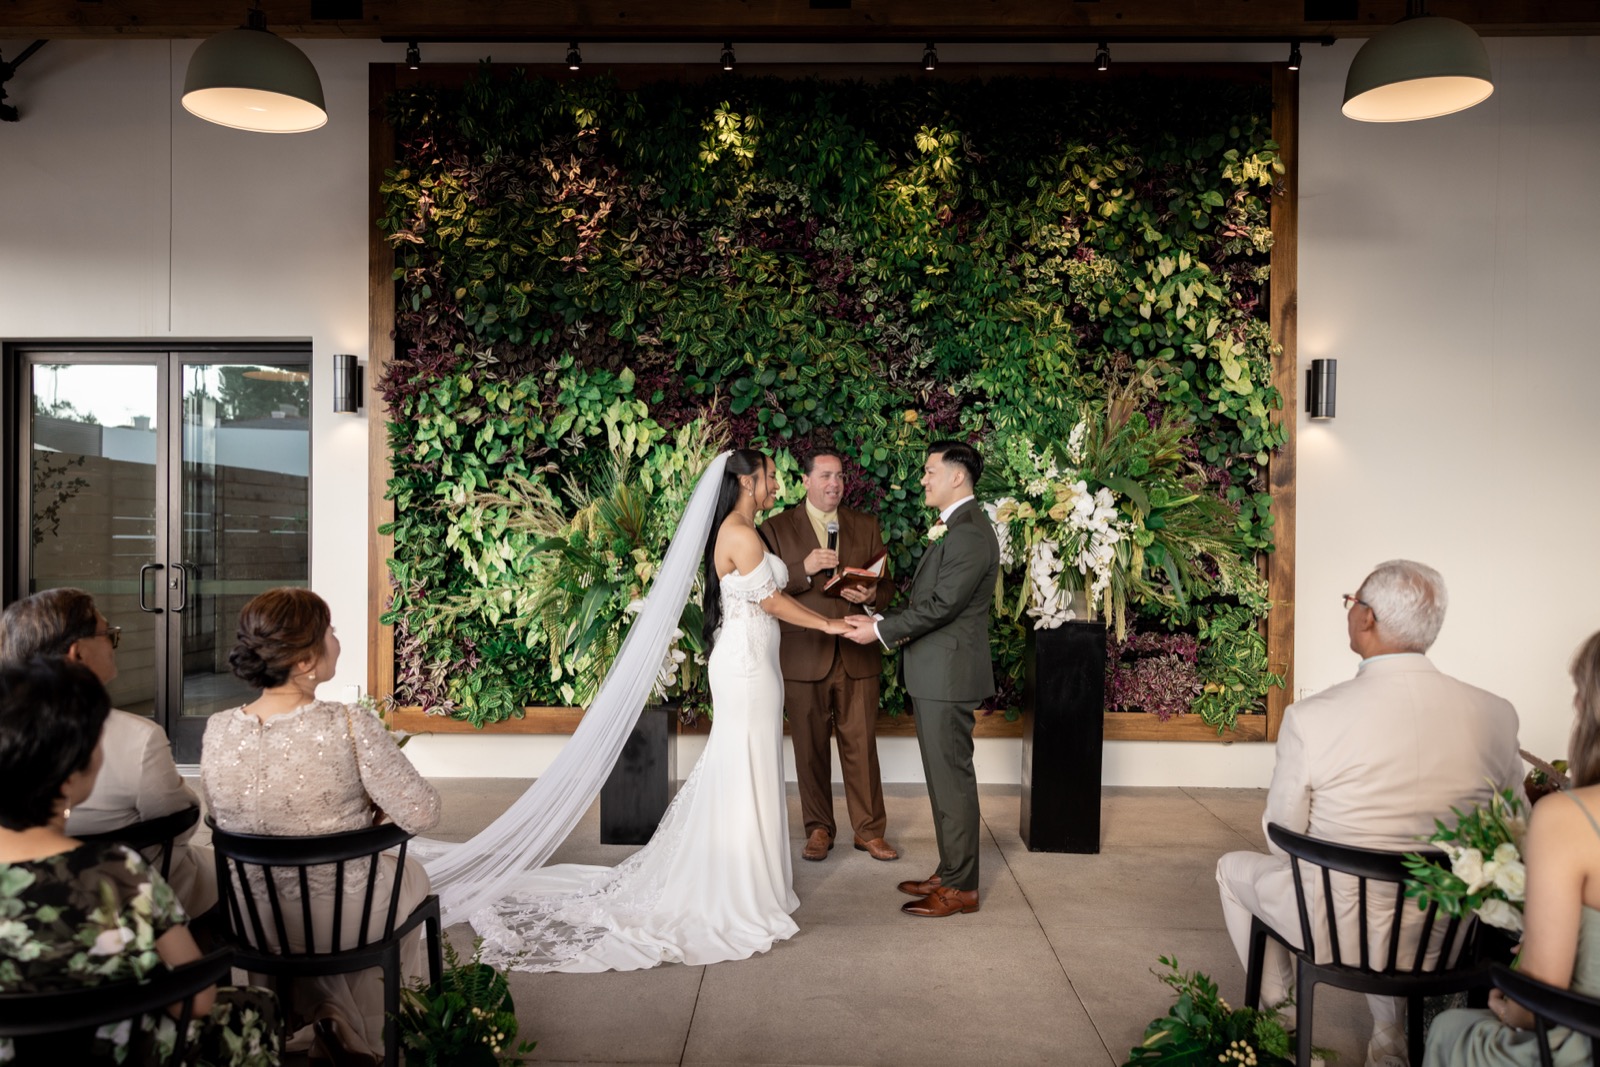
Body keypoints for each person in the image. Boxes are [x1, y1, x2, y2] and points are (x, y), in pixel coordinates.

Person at [447, 449, 851, 973]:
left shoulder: (748, 532)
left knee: (746, 765)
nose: (777, 484)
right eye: (770, 477)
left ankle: (752, 878)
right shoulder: (740, 533)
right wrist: (829, 625)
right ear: (747, 483)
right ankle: (738, 887)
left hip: (756, 666)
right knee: (743, 764)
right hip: (747, 669)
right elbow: (770, 601)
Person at [1214, 560, 1524, 1067]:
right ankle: (1388, 1038)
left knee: (1234, 871)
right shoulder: (1496, 713)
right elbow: (1518, 829)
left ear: (1368, 619)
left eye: (1350, 602)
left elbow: (1279, 836)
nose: (1350, 611)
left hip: (1337, 929)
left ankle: (1279, 1028)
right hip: (1447, 934)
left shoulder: (1312, 718)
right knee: (1390, 892)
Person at [201, 588, 441, 1065]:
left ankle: (333, 1017)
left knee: (301, 910)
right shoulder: (349, 725)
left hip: (250, 913)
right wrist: (375, 815)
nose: (337, 640)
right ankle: (368, 1033)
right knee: (410, 879)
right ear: (307, 659)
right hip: (341, 918)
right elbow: (424, 812)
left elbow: (223, 813)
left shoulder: (217, 728)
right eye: (330, 631)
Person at [0, 657, 279, 1066]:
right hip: (118, 1052)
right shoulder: (120, 873)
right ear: (69, 776)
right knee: (255, 1006)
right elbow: (197, 1000)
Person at [1422, 631, 1600, 1066]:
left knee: (1451, 1028)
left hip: (1587, 1039)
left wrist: (1506, 1005)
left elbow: (1536, 1000)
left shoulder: (1568, 817)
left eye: (1580, 691)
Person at [842, 440, 1000, 919]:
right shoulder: (956, 528)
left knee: (952, 783)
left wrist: (880, 631)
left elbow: (942, 607)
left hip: (947, 676)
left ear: (957, 476)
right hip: (936, 674)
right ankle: (952, 870)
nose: (923, 479)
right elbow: (930, 601)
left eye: (930, 471)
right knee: (943, 781)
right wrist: (874, 608)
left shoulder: (970, 532)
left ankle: (961, 889)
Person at [0, 587, 215, 916]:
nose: (115, 645)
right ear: (78, 654)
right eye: (109, 635)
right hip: (135, 897)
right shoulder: (138, 738)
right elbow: (180, 821)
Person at [758, 448, 897, 863]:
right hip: (804, 654)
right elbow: (763, 590)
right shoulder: (775, 529)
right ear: (805, 480)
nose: (834, 483)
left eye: (839, 476)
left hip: (856, 654)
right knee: (809, 747)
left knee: (862, 745)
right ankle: (818, 829)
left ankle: (870, 831)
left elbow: (887, 587)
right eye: (825, 476)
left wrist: (872, 594)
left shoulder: (866, 525)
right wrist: (802, 567)